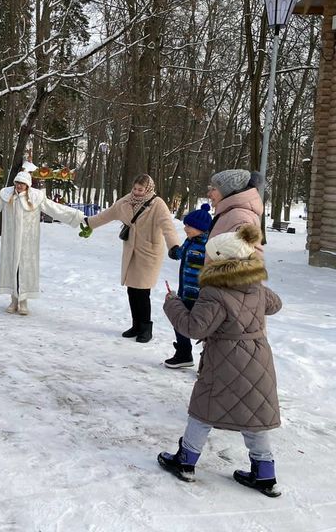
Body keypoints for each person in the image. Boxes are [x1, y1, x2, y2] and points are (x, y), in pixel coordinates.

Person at [158, 224, 283, 498]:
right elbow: (275, 304)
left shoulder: (214, 292)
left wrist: (172, 303)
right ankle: (264, 473)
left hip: (225, 359)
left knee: (203, 411)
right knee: (255, 413)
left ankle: (186, 461)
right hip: (258, 358)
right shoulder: (256, 288)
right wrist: (255, 284)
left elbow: (195, 328)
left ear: (219, 259)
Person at [0, 171, 85, 315]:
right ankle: (13, 299)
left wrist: (78, 217)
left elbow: (56, 209)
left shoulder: (36, 197)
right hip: (11, 239)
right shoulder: (6, 195)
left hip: (28, 240)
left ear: (27, 185)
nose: (19, 186)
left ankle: (23, 301)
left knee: (25, 269)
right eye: (17, 183)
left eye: (22, 183)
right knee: (12, 268)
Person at [78, 173, 180, 343]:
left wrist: (174, 246)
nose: (137, 192)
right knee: (132, 289)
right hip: (131, 250)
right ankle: (136, 325)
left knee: (142, 291)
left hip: (149, 252)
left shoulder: (157, 204)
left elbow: (168, 227)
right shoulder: (126, 201)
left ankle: (146, 328)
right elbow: (108, 213)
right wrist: (90, 223)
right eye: (135, 188)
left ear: (148, 189)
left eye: (141, 189)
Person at [163, 203, 211, 368]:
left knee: (204, 331)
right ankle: (184, 354)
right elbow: (181, 253)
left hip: (201, 296)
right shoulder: (189, 241)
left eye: (189, 226)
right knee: (179, 321)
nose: (186, 228)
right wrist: (174, 251)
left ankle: (207, 363)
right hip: (185, 292)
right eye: (185, 225)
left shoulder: (208, 245)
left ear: (201, 228)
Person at [206, 169, 264, 260]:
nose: (208, 194)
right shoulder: (229, 213)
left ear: (228, 192)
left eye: (214, 189)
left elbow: (248, 261)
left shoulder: (239, 216)